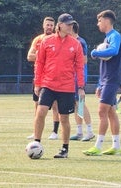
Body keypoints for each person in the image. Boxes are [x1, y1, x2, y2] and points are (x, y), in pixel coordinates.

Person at [31, 13, 85, 158]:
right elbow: (39, 62)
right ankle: (36, 143)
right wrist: (38, 83)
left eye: (72, 24)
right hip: (48, 84)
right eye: (68, 24)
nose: (70, 26)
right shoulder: (46, 41)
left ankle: (64, 149)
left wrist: (81, 87)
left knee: (64, 119)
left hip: (66, 87)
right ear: (60, 25)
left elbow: (79, 67)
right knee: (40, 112)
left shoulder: (76, 44)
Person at [83, 10, 121, 156]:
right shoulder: (107, 38)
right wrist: (100, 84)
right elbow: (105, 65)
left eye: (99, 21)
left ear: (106, 20)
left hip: (112, 80)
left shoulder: (115, 36)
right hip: (106, 80)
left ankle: (98, 146)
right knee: (111, 112)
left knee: (102, 111)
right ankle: (116, 146)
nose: (98, 24)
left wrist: (95, 53)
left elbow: (113, 51)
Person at [26, 16, 60, 140]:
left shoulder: (56, 39)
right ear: (43, 25)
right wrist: (44, 56)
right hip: (38, 76)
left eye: (51, 25)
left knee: (55, 105)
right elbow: (29, 56)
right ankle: (36, 132)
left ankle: (55, 132)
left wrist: (42, 55)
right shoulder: (38, 39)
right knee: (37, 104)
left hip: (52, 76)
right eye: (47, 25)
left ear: (55, 26)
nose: (49, 27)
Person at [69, 21, 95, 142]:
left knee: (80, 103)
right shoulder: (73, 42)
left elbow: (84, 60)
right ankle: (79, 131)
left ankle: (90, 131)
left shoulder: (80, 42)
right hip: (72, 77)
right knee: (76, 104)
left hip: (78, 78)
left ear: (71, 29)